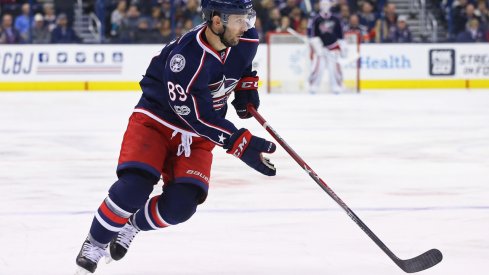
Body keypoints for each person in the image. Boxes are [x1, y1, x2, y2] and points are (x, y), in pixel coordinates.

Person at [75, 0, 277, 273]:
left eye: (248, 18)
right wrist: (240, 143)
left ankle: (133, 224)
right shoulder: (185, 59)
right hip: (157, 122)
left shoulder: (246, 38)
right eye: (240, 19)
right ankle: (95, 243)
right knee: (134, 188)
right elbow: (197, 117)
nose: (247, 26)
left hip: (199, 136)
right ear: (217, 21)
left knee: (180, 207)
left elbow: (243, 67)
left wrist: (245, 89)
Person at [307, 0, 344, 94]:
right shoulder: (316, 19)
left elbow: (340, 35)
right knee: (319, 68)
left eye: (327, 4)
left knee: (334, 68)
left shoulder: (336, 19)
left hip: (333, 47)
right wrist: (318, 47)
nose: (325, 6)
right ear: (320, 6)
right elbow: (313, 35)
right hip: (321, 48)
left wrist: (342, 46)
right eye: (323, 4)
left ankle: (336, 86)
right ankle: (313, 86)